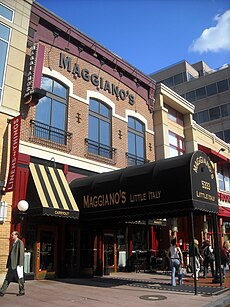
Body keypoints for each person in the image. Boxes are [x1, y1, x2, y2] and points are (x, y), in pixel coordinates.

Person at [0, 231, 25, 297]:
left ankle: (22, 290)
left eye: (12, 235)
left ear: (16, 235)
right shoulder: (13, 243)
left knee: (20, 278)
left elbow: (21, 253)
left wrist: (20, 264)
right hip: (11, 264)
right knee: (8, 278)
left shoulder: (20, 243)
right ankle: (2, 291)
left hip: (17, 264)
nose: (11, 236)